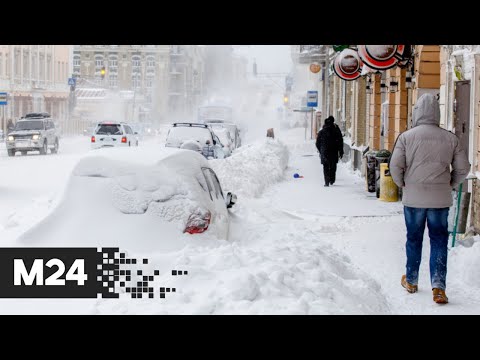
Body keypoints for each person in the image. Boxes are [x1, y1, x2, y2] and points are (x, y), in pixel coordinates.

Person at [389, 93, 470, 304]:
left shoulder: (406, 137)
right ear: (437, 112)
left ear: (417, 112)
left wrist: (402, 184)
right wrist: (450, 183)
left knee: (414, 238)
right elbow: (463, 168)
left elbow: (395, 166)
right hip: (440, 200)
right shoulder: (451, 138)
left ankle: (412, 280)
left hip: (414, 200)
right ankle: (439, 287)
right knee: (439, 240)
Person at [315, 116, 344, 187]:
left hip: (324, 152)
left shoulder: (321, 132)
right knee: (333, 166)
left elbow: (317, 143)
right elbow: (340, 141)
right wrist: (340, 151)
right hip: (333, 151)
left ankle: (326, 181)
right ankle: (332, 179)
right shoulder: (336, 131)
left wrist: (321, 150)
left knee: (325, 166)